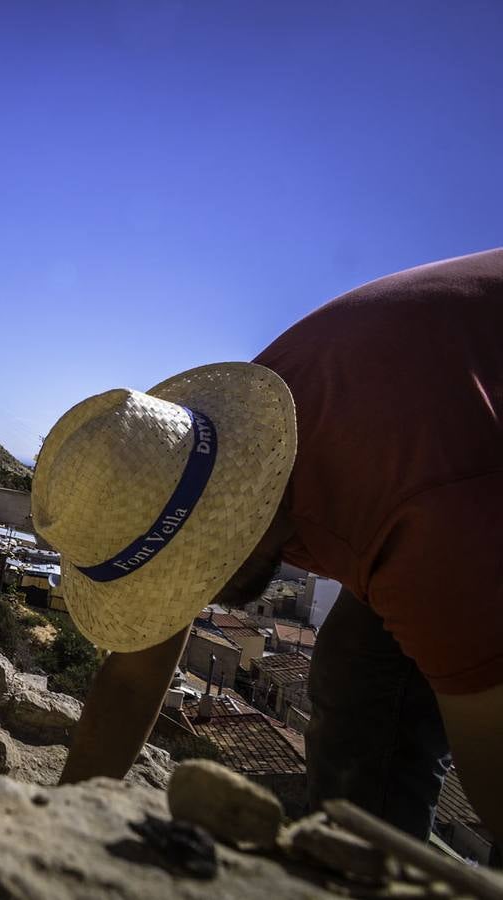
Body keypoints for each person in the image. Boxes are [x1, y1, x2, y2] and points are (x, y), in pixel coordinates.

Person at [33, 249, 502, 843]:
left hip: (458, 488)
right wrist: (56, 834)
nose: (187, 595)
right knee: (358, 688)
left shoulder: (415, 520)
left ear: (227, 517)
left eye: (187, 569)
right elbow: (131, 682)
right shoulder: (220, 451)